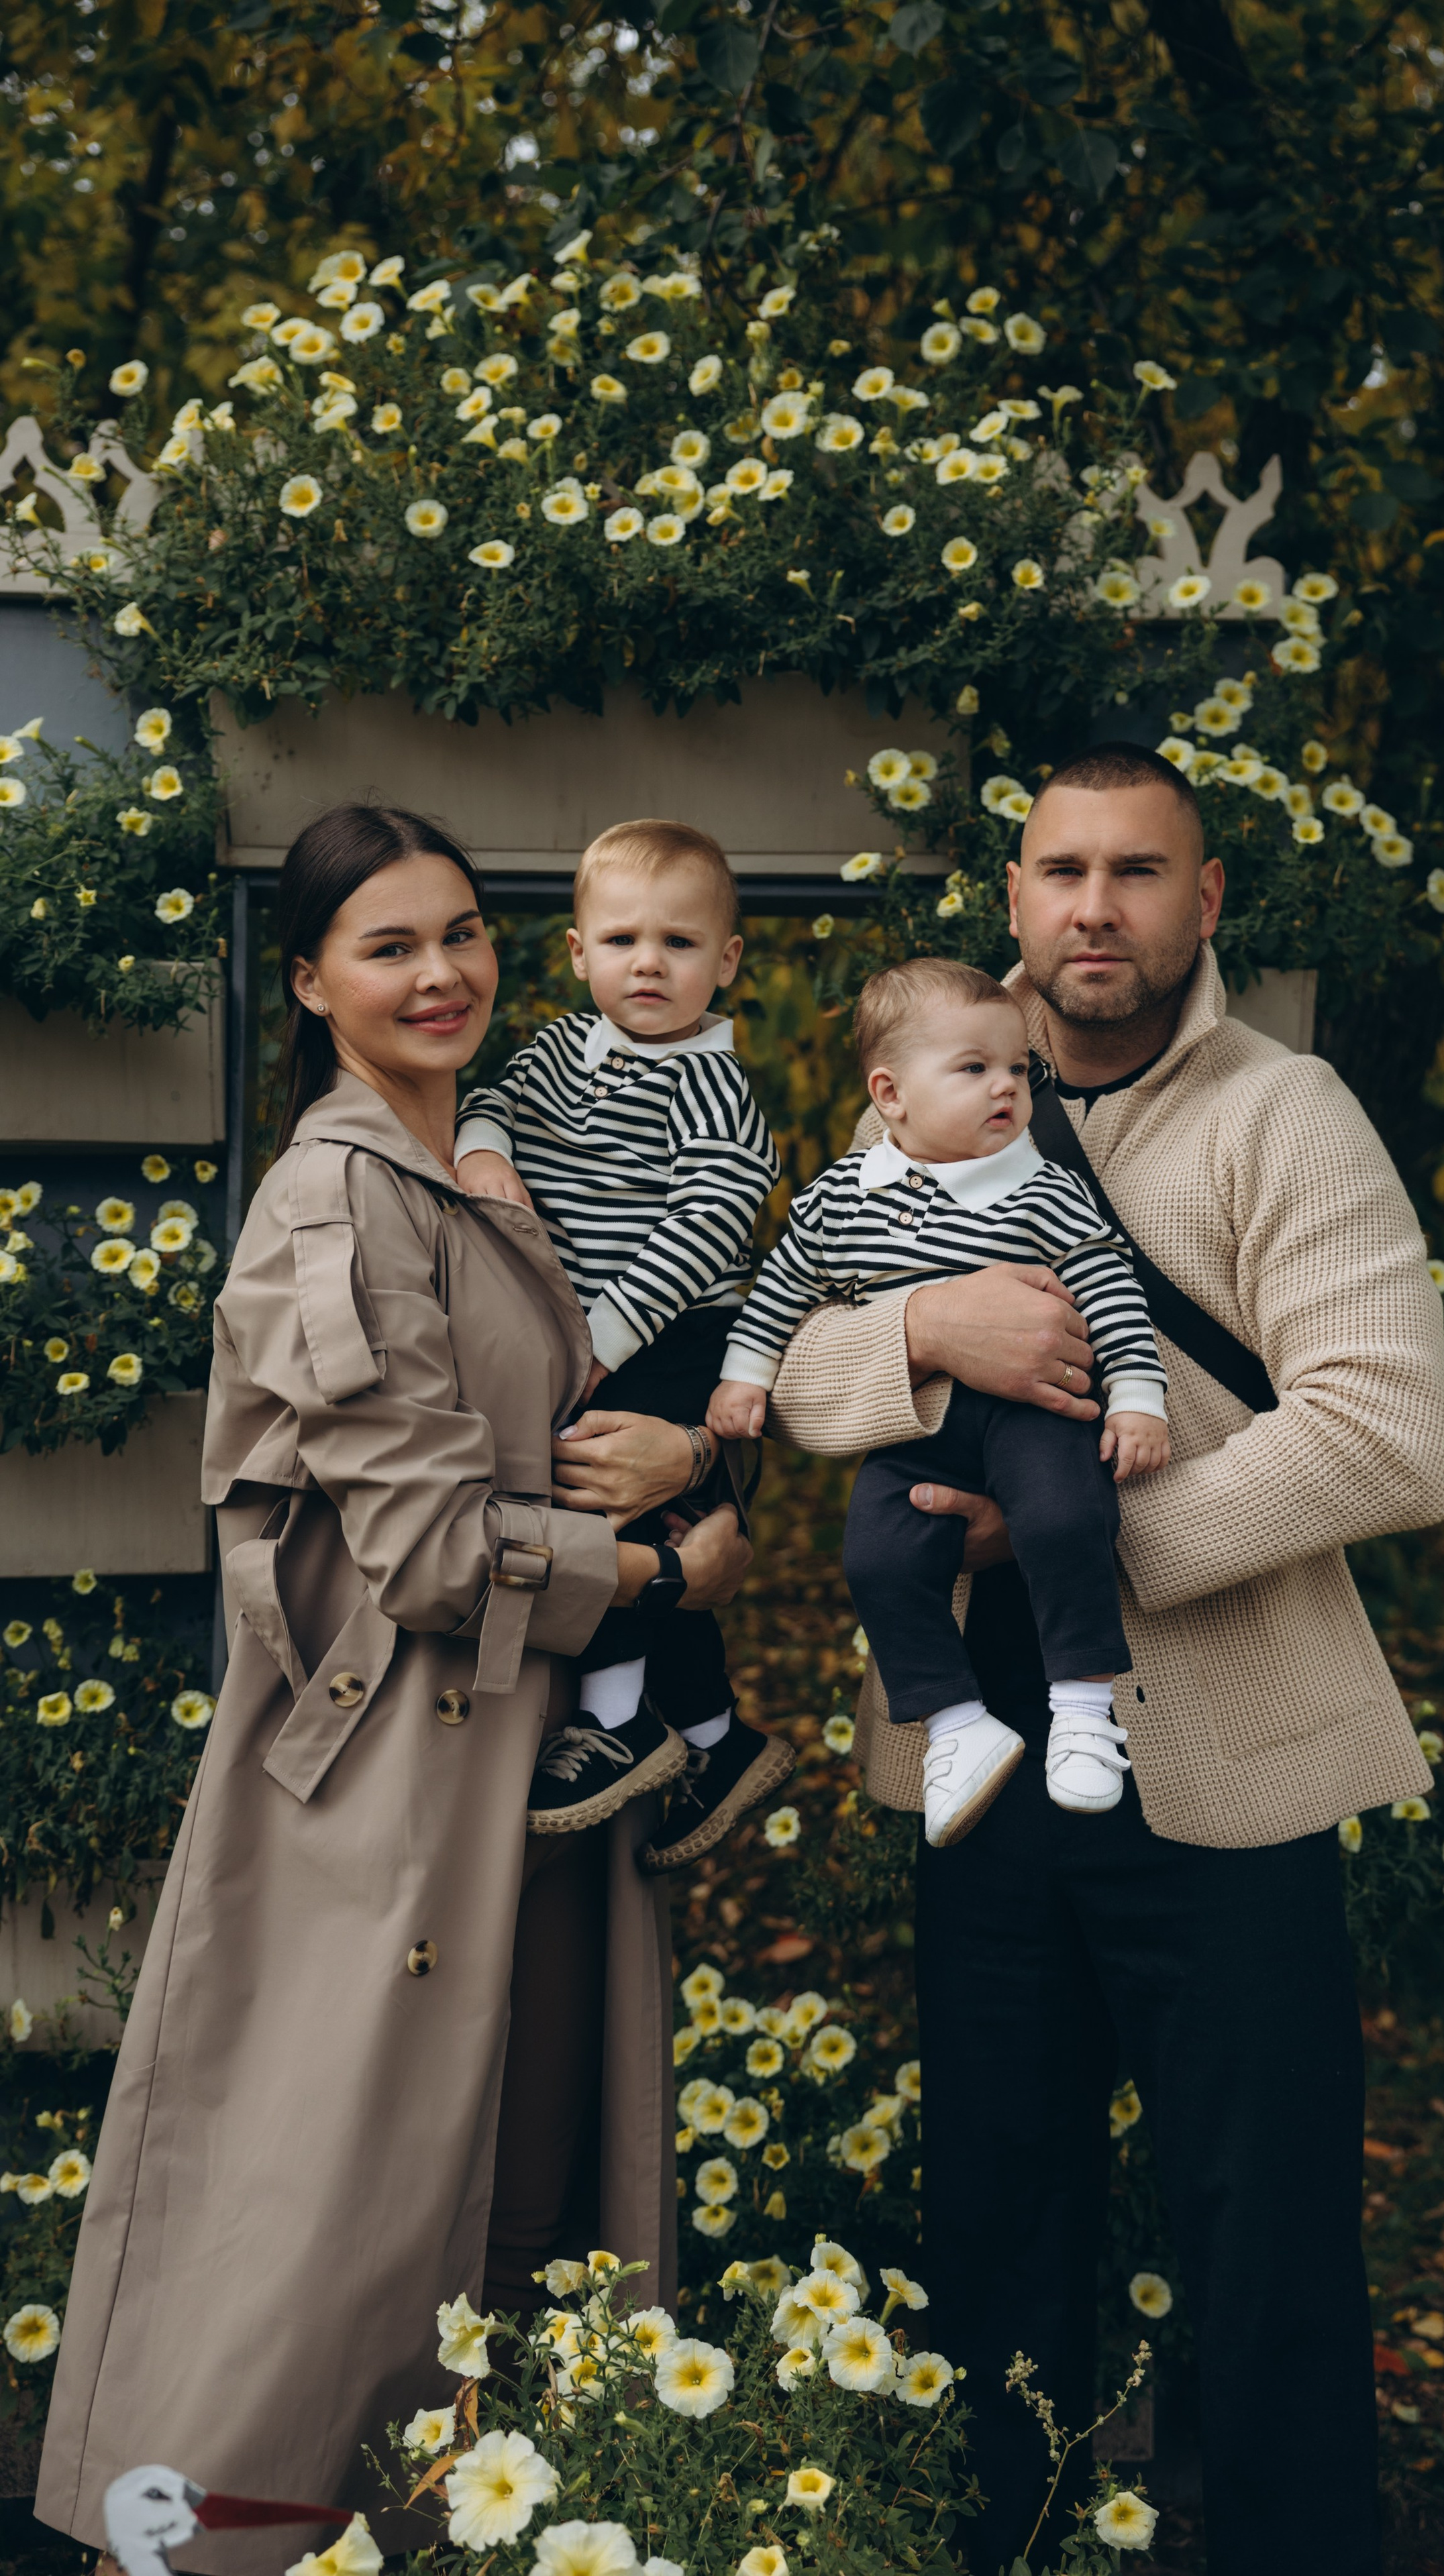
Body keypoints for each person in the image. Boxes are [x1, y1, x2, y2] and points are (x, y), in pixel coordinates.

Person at [765, 742, 1444, 2576]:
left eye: (1138, 873)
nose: (1095, 909)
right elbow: (812, 1370)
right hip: (984, 1766)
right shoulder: (923, 1117)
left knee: (1272, 2242)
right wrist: (935, 1321)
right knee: (999, 2226)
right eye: (1062, 873)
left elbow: (1392, 1435)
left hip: (1227, 1767)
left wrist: (1077, 1537)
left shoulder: (1284, 1115)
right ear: (1013, 904)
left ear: (1204, 901)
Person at [34, 804, 753, 2575]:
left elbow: (610, 1400)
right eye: (387, 946)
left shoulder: (497, 1165)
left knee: (519, 2217)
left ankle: (463, 2542)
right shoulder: (334, 1196)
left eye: (460, 936)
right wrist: (663, 1573)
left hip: (537, 1763)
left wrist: (687, 1464)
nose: (440, 974)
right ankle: (190, 2546)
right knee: (324, 2231)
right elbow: (434, 1551)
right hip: (389, 1796)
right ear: (309, 981)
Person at [711, 956, 1169, 1845]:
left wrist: (1138, 1397)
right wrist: (744, 1373)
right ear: (891, 1094)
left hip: (1035, 1417)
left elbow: (1109, 1288)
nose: (1006, 1088)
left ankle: (1082, 1709)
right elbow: (783, 1293)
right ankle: (958, 1725)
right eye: (973, 1070)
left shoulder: (1042, 1189)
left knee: (1066, 1517)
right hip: (914, 1426)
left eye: (1014, 1070)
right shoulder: (840, 1199)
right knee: (878, 1563)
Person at [454, 818, 790, 1872]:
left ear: (725, 962)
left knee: (605, 1501)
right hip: (589, 1331)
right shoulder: (555, 1048)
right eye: (623, 940)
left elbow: (710, 1220)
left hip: (674, 1331)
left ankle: (616, 1719)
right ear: (577, 952)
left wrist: (601, 1342)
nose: (649, 963)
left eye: (681, 944)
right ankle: (711, 1739)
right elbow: (488, 1099)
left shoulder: (713, 1087)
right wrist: (481, 1151)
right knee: (636, 1520)